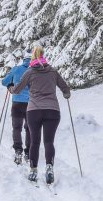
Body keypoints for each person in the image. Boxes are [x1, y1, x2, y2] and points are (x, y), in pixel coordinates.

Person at [9, 45, 70, 185]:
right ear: (43, 56)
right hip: (52, 111)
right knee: (49, 142)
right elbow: (65, 88)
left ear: (32, 57)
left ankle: (33, 170)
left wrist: (10, 88)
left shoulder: (29, 72)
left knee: (35, 142)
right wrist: (66, 94)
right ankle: (49, 167)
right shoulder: (53, 72)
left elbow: (17, 90)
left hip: (34, 111)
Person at [1, 49, 32, 164]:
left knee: (17, 128)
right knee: (29, 129)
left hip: (17, 103)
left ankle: (18, 151)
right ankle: (28, 153)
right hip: (31, 104)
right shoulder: (36, 71)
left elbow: (4, 82)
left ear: (24, 59)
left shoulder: (16, 69)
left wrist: (10, 84)